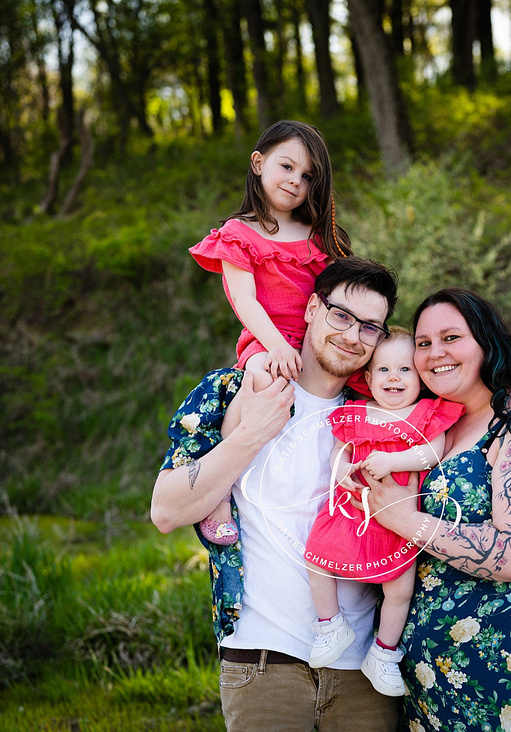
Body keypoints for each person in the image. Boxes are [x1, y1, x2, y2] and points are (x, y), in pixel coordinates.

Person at [151, 257, 401, 732]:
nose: (353, 335)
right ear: (310, 308)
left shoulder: (379, 415)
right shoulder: (235, 390)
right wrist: (250, 435)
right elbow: (165, 510)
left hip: (364, 673)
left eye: (370, 327)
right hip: (262, 662)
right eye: (341, 315)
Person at [362, 288, 511, 732]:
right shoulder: (439, 422)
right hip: (434, 676)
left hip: (510, 660)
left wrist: (403, 520)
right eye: (424, 343)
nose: (435, 354)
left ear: (486, 341)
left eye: (452, 337)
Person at [188, 119, 351, 546]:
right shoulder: (239, 233)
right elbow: (245, 302)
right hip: (267, 337)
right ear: (258, 163)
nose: (296, 181)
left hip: (317, 339)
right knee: (261, 375)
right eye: (287, 167)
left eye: (308, 176)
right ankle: (218, 492)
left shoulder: (317, 237)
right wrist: (277, 346)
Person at [303, 327, 464, 696]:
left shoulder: (425, 414)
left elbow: (431, 452)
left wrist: (394, 459)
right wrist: (341, 469)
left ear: (420, 378)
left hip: (399, 519)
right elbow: (339, 450)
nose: (394, 377)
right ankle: (330, 624)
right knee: (315, 558)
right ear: (368, 377)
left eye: (405, 370)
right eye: (384, 370)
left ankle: (383, 652)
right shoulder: (356, 412)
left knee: (400, 588)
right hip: (351, 509)